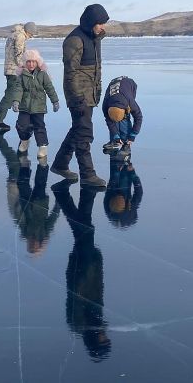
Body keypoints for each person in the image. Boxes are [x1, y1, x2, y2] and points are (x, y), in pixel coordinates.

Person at [51, 4, 109, 188]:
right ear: (91, 22)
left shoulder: (94, 38)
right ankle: (87, 175)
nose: (102, 27)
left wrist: (96, 91)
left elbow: (94, 70)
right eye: (100, 23)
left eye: (103, 24)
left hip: (89, 95)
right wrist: (77, 98)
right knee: (84, 134)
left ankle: (60, 164)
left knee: (77, 130)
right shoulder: (75, 40)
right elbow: (71, 73)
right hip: (79, 96)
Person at [52, 184, 111, 361]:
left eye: (103, 340)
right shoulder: (93, 322)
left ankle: (62, 195)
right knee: (83, 228)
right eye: (106, 339)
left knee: (84, 229)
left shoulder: (80, 322)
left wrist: (84, 270)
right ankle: (64, 195)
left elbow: (78, 294)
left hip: (82, 270)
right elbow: (98, 290)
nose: (105, 336)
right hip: (88, 270)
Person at [11, 49, 60, 159]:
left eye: (33, 61)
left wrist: (55, 101)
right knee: (21, 125)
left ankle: (42, 146)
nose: (31, 64)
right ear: (25, 63)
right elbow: (18, 89)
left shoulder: (43, 74)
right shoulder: (22, 75)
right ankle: (25, 140)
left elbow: (49, 88)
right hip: (25, 106)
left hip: (39, 106)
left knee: (39, 126)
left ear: (38, 62)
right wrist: (16, 101)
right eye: (28, 61)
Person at [0, 22, 38, 131]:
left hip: (11, 69)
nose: (31, 37)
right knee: (10, 96)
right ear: (28, 31)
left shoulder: (14, 34)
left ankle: (24, 120)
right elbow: (18, 54)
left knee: (20, 94)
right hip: (14, 71)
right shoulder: (20, 36)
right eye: (31, 34)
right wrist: (24, 67)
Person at [101, 76, 142, 153]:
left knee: (125, 119)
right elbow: (109, 121)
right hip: (115, 87)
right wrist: (115, 135)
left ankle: (126, 142)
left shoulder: (130, 102)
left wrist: (133, 135)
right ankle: (115, 141)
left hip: (129, 85)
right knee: (113, 120)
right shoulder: (105, 106)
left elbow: (138, 118)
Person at [103, 160, 142, 228]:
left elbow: (111, 184)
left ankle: (116, 161)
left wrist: (116, 172)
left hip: (115, 194)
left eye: (119, 196)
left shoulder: (108, 205)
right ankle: (125, 164)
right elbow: (139, 193)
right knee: (124, 179)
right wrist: (133, 173)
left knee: (115, 175)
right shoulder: (131, 209)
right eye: (121, 197)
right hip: (129, 213)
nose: (119, 195)